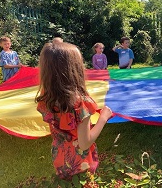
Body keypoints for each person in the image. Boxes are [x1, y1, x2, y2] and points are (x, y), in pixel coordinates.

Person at [35, 42, 113, 180]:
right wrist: (103, 118)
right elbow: (84, 143)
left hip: (59, 157)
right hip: (80, 163)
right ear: (75, 69)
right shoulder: (81, 104)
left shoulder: (46, 97)